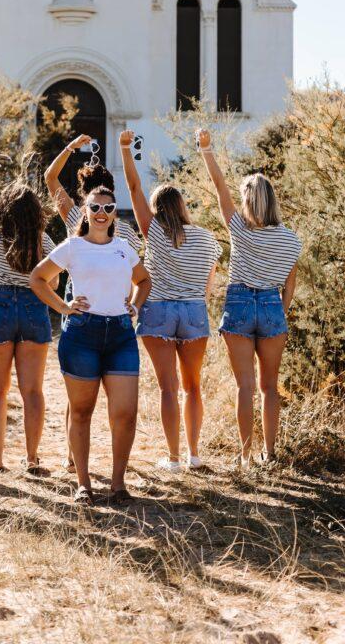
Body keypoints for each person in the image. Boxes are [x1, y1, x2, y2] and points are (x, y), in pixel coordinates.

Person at [30, 186, 152, 506]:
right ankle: (83, 485)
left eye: (108, 208)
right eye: (95, 207)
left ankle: (118, 485)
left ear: (114, 213)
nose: (101, 213)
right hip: (82, 335)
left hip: (121, 336)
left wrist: (135, 306)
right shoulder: (73, 247)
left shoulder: (124, 248)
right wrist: (63, 307)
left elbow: (144, 281)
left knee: (125, 414)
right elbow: (37, 278)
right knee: (82, 412)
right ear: (85, 211)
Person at [197, 128, 301, 467]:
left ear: (248, 201)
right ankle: (269, 454)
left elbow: (219, 186)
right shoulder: (291, 240)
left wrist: (206, 149)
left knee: (245, 386)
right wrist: (278, 311)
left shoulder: (240, 229)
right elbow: (290, 286)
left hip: (240, 302)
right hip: (272, 305)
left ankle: (244, 456)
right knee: (270, 387)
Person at [119, 130, 221, 472]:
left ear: (157, 210)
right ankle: (194, 455)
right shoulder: (207, 238)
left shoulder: (155, 233)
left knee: (168, 388)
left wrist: (125, 149)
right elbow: (208, 287)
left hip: (159, 310)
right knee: (193, 388)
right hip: (194, 311)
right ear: (182, 207)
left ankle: (174, 458)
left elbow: (134, 187)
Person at [44, 134, 142, 470]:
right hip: (114, 310)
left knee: (77, 394)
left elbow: (50, 179)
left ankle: (72, 455)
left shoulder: (76, 218)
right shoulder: (125, 230)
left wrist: (70, 147)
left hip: (80, 305)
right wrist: (131, 302)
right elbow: (135, 274)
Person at [0, 157, 56, 475]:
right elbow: (53, 283)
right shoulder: (44, 242)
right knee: (32, 391)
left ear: (4, 209)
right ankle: (32, 459)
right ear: (36, 213)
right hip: (33, 308)